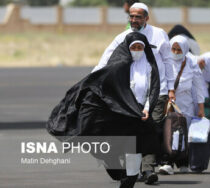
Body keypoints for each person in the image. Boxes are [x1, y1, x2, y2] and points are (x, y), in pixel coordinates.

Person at [47, 32, 160, 188]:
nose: (137, 50)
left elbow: (153, 90)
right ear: (127, 48)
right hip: (117, 114)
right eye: (134, 47)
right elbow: (98, 86)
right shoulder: (116, 66)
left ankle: (129, 180)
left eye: (141, 47)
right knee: (107, 147)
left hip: (138, 115)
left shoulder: (149, 66)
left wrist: (148, 108)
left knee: (135, 150)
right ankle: (111, 163)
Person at [92, 2, 175, 185]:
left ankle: (147, 169)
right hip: (129, 96)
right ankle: (132, 169)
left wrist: (170, 88)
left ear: (146, 18)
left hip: (157, 90)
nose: (134, 20)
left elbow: (168, 61)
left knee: (151, 127)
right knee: (131, 132)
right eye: (131, 16)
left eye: (138, 16)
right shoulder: (122, 37)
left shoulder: (159, 34)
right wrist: (91, 81)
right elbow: (105, 60)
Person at [158, 35, 205, 175]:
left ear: (185, 49)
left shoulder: (191, 61)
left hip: (186, 104)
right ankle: (168, 163)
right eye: (173, 49)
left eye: (179, 50)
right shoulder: (164, 60)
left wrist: (201, 107)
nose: (176, 52)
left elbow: (199, 86)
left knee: (184, 133)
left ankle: (183, 162)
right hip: (168, 103)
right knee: (168, 133)